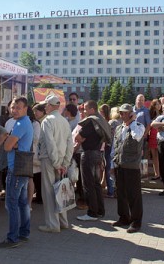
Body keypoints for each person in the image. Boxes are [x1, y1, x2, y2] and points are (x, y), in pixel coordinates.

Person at [0, 97, 33, 249]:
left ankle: (13, 238)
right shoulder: (24, 122)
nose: (14, 110)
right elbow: (11, 144)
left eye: (18, 107)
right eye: (12, 107)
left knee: (12, 204)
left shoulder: (20, 123)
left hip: (16, 168)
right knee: (22, 203)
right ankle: (23, 233)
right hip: (21, 167)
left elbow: (7, 147)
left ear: (25, 108)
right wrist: (12, 143)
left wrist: (11, 143)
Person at [38, 95, 74, 232]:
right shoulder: (64, 121)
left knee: (48, 193)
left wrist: (57, 163)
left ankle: (52, 225)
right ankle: (63, 222)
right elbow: (70, 143)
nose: (44, 107)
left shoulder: (47, 121)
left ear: (52, 106)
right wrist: (64, 163)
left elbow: (50, 143)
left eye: (46, 105)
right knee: (60, 192)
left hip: (49, 160)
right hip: (61, 161)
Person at [75, 100, 111, 221]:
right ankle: (100, 211)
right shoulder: (101, 120)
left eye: (85, 109)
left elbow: (78, 137)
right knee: (96, 184)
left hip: (89, 154)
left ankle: (92, 213)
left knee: (88, 184)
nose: (83, 111)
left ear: (92, 109)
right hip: (97, 154)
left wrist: (80, 139)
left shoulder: (91, 121)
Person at [112, 104, 145, 233]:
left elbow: (137, 136)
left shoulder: (138, 126)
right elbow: (115, 146)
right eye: (121, 113)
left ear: (131, 114)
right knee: (121, 193)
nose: (122, 115)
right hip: (119, 165)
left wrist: (132, 121)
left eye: (125, 113)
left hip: (132, 166)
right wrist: (112, 164)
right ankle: (124, 217)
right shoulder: (119, 128)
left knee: (134, 195)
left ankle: (136, 222)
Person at [31, 103, 47, 205]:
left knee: (39, 175)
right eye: (34, 111)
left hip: (42, 152)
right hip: (40, 152)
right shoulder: (39, 121)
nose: (35, 113)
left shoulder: (43, 122)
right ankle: (39, 196)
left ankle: (40, 197)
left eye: (37, 111)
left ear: (43, 111)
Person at [99, 104, 114, 198]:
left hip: (106, 146)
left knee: (107, 168)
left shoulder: (104, 122)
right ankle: (110, 190)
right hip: (109, 146)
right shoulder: (111, 122)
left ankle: (110, 191)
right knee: (107, 168)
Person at [148, 99, 161, 180]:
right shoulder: (150, 114)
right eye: (156, 104)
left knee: (161, 156)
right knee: (155, 156)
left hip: (161, 135)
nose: (159, 105)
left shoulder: (163, 113)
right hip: (153, 135)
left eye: (159, 104)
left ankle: (161, 173)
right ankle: (157, 173)